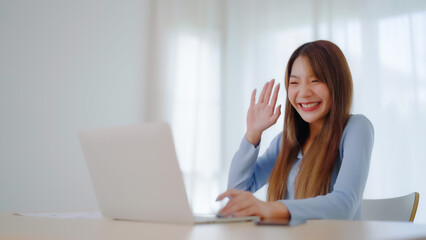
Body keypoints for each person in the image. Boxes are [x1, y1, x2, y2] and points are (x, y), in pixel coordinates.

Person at [216, 40, 374, 221]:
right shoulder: (286, 141)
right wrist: (252, 134)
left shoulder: (356, 128)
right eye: (295, 82)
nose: (304, 92)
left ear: (337, 84)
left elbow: (343, 205)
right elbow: (237, 193)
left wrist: (272, 208)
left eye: (315, 81)